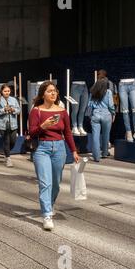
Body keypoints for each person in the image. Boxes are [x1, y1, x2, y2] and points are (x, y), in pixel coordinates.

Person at [29, 81, 80, 231]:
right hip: (42, 149)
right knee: (45, 183)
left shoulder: (62, 112)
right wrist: (42, 126)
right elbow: (31, 133)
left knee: (56, 184)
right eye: (50, 91)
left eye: (55, 91)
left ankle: (49, 206)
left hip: (59, 148)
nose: (53, 93)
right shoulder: (36, 111)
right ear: (43, 94)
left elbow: (68, 132)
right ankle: (47, 215)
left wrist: (74, 151)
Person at [0, 84, 21, 167]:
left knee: (13, 141)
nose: (7, 93)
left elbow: (18, 110)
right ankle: (8, 158)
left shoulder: (14, 100)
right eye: (5, 91)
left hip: (13, 124)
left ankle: (6, 153)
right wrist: (3, 110)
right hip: (2, 125)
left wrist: (13, 110)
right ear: (1, 91)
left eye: (8, 91)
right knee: (6, 141)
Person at [88, 78, 115, 162]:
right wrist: (113, 113)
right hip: (106, 115)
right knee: (106, 135)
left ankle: (96, 157)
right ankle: (104, 153)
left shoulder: (92, 92)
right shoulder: (108, 92)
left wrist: (90, 116)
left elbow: (89, 105)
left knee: (95, 136)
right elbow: (111, 105)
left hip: (95, 114)